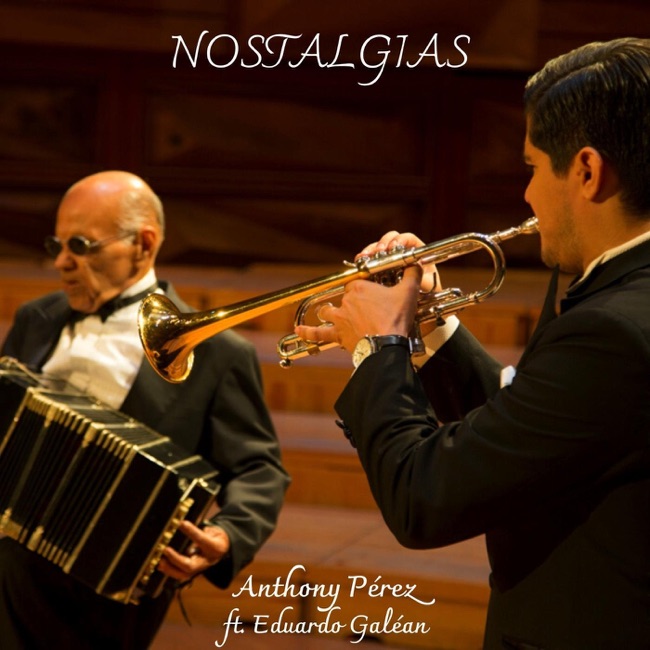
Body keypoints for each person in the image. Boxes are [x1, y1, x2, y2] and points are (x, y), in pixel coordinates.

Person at [296, 38, 650, 650]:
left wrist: (380, 346)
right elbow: (538, 435)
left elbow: (423, 499)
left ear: (587, 172)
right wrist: (428, 329)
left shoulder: (612, 331)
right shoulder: (619, 301)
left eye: (533, 167)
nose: (526, 196)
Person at [0, 170, 290, 649]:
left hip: (106, 593)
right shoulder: (38, 318)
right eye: (57, 246)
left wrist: (227, 535)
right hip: (10, 564)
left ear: (144, 244)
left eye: (80, 245)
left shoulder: (216, 354)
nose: (62, 262)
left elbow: (258, 468)